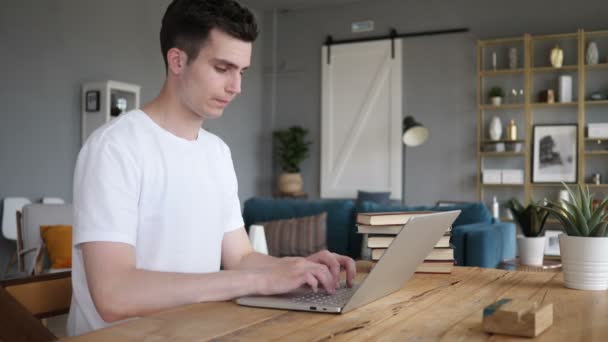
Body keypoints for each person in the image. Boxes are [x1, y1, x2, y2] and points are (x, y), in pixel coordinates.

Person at [67, 0, 355, 336]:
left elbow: (241, 258)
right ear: (177, 60)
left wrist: (298, 268)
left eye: (242, 72)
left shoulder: (217, 153)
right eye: (222, 68)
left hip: (198, 332)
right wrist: (257, 280)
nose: (236, 87)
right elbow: (114, 295)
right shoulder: (114, 148)